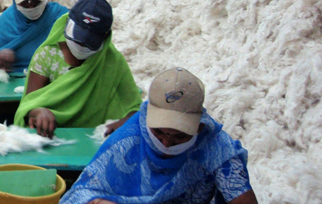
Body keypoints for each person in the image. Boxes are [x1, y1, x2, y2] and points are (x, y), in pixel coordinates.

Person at [61, 68, 258, 204]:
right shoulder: (130, 139)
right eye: (159, 132)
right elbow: (79, 194)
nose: (166, 143)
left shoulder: (216, 148)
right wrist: (98, 201)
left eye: (179, 136)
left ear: (199, 126)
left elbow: (241, 196)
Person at [13, 0, 141, 138]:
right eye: (78, 39)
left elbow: (134, 108)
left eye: (89, 43)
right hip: (51, 136)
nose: (81, 46)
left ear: (105, 37)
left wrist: (124, 123)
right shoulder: (47, 55)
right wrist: (37, 112)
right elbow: (28, 105)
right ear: (68, 24)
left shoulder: (112, 62)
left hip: (94, 141)